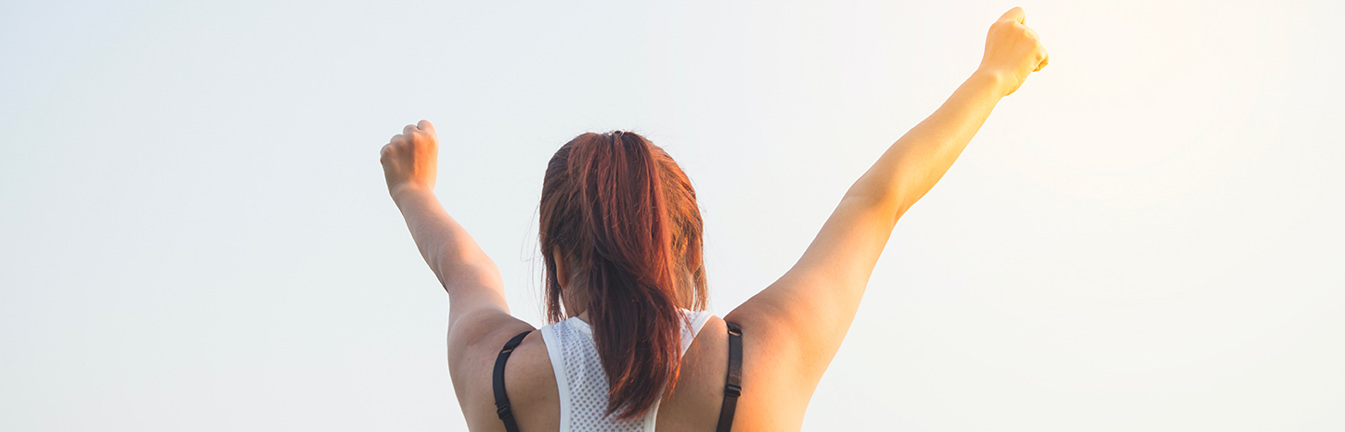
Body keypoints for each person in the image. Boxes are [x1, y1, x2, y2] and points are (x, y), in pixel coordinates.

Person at [378, 7, 1048, 431]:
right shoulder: (757, 364)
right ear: (689, 249)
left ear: (556, 258)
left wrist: (413, 188)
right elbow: (877, 199)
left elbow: (463, 265)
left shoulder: (497, 376)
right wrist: (993, 74)